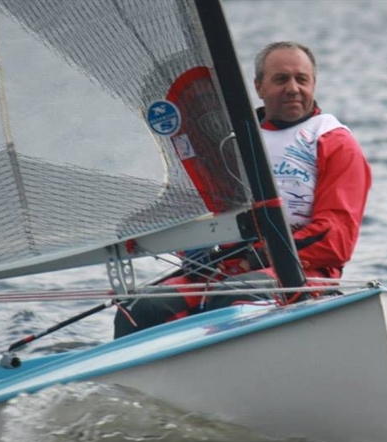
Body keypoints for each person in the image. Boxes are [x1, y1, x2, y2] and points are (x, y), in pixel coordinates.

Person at [114, 41, 372, 338]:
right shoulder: (232, 140)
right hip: (228, 268)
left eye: (302, 79)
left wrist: (259, 256)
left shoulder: (334, 141)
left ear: (313, 84)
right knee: (139, 310)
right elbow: (201, 205)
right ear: (259, 86)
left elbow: (336, 239)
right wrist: (166, 239)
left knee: (233, 297)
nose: (292, 88)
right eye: (281, 79)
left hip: (304, 272)